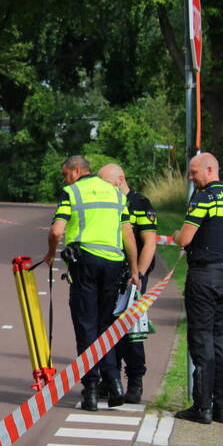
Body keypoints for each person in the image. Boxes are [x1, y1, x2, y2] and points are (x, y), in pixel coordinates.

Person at [43, 156, 139, 412]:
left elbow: (56, 231)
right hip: (114, 264)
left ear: (76, 171)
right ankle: (115, 383)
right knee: (105, 325)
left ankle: (92, 390)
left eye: (65, 174)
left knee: (86, 326)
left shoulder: (72, 192)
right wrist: (136, 269)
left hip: (85, 263)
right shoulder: (116, 194)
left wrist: (51, 253)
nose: (64, 179)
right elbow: (128, 233)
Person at [172, 152, 223, 424]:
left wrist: (176, 236)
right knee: (219, 338)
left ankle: (202, 407)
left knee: (201, 338)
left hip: (203, 275)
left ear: (209, 169)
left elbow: (184, 239)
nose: (191, 179)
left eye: (194, 173)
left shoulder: (203, 198)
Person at [97, 164, 158, 404]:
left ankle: (135, 381)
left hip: (132, 277)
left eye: (107, 183)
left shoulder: (139, 203)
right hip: (109, 274)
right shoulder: (108, 204)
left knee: (131, 333)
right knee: (106, 329)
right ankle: (109, 380)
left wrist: (139, 276)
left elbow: (149, 243)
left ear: (120, 178)